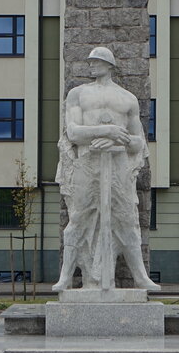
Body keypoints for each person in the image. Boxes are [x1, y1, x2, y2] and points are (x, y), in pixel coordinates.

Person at [53, 47, 160, 292]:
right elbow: (73, 133)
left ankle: (141, 277)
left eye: (96, 61)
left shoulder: (128, 99)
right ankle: (66, 277)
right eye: (90, 61)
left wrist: (117, 140)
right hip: (88, 164)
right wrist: (106, 131)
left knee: (128, 220)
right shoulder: (78, 94)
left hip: (118, 166)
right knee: (78, 218)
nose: (91, 65)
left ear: (109, 65)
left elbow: (138, 142)